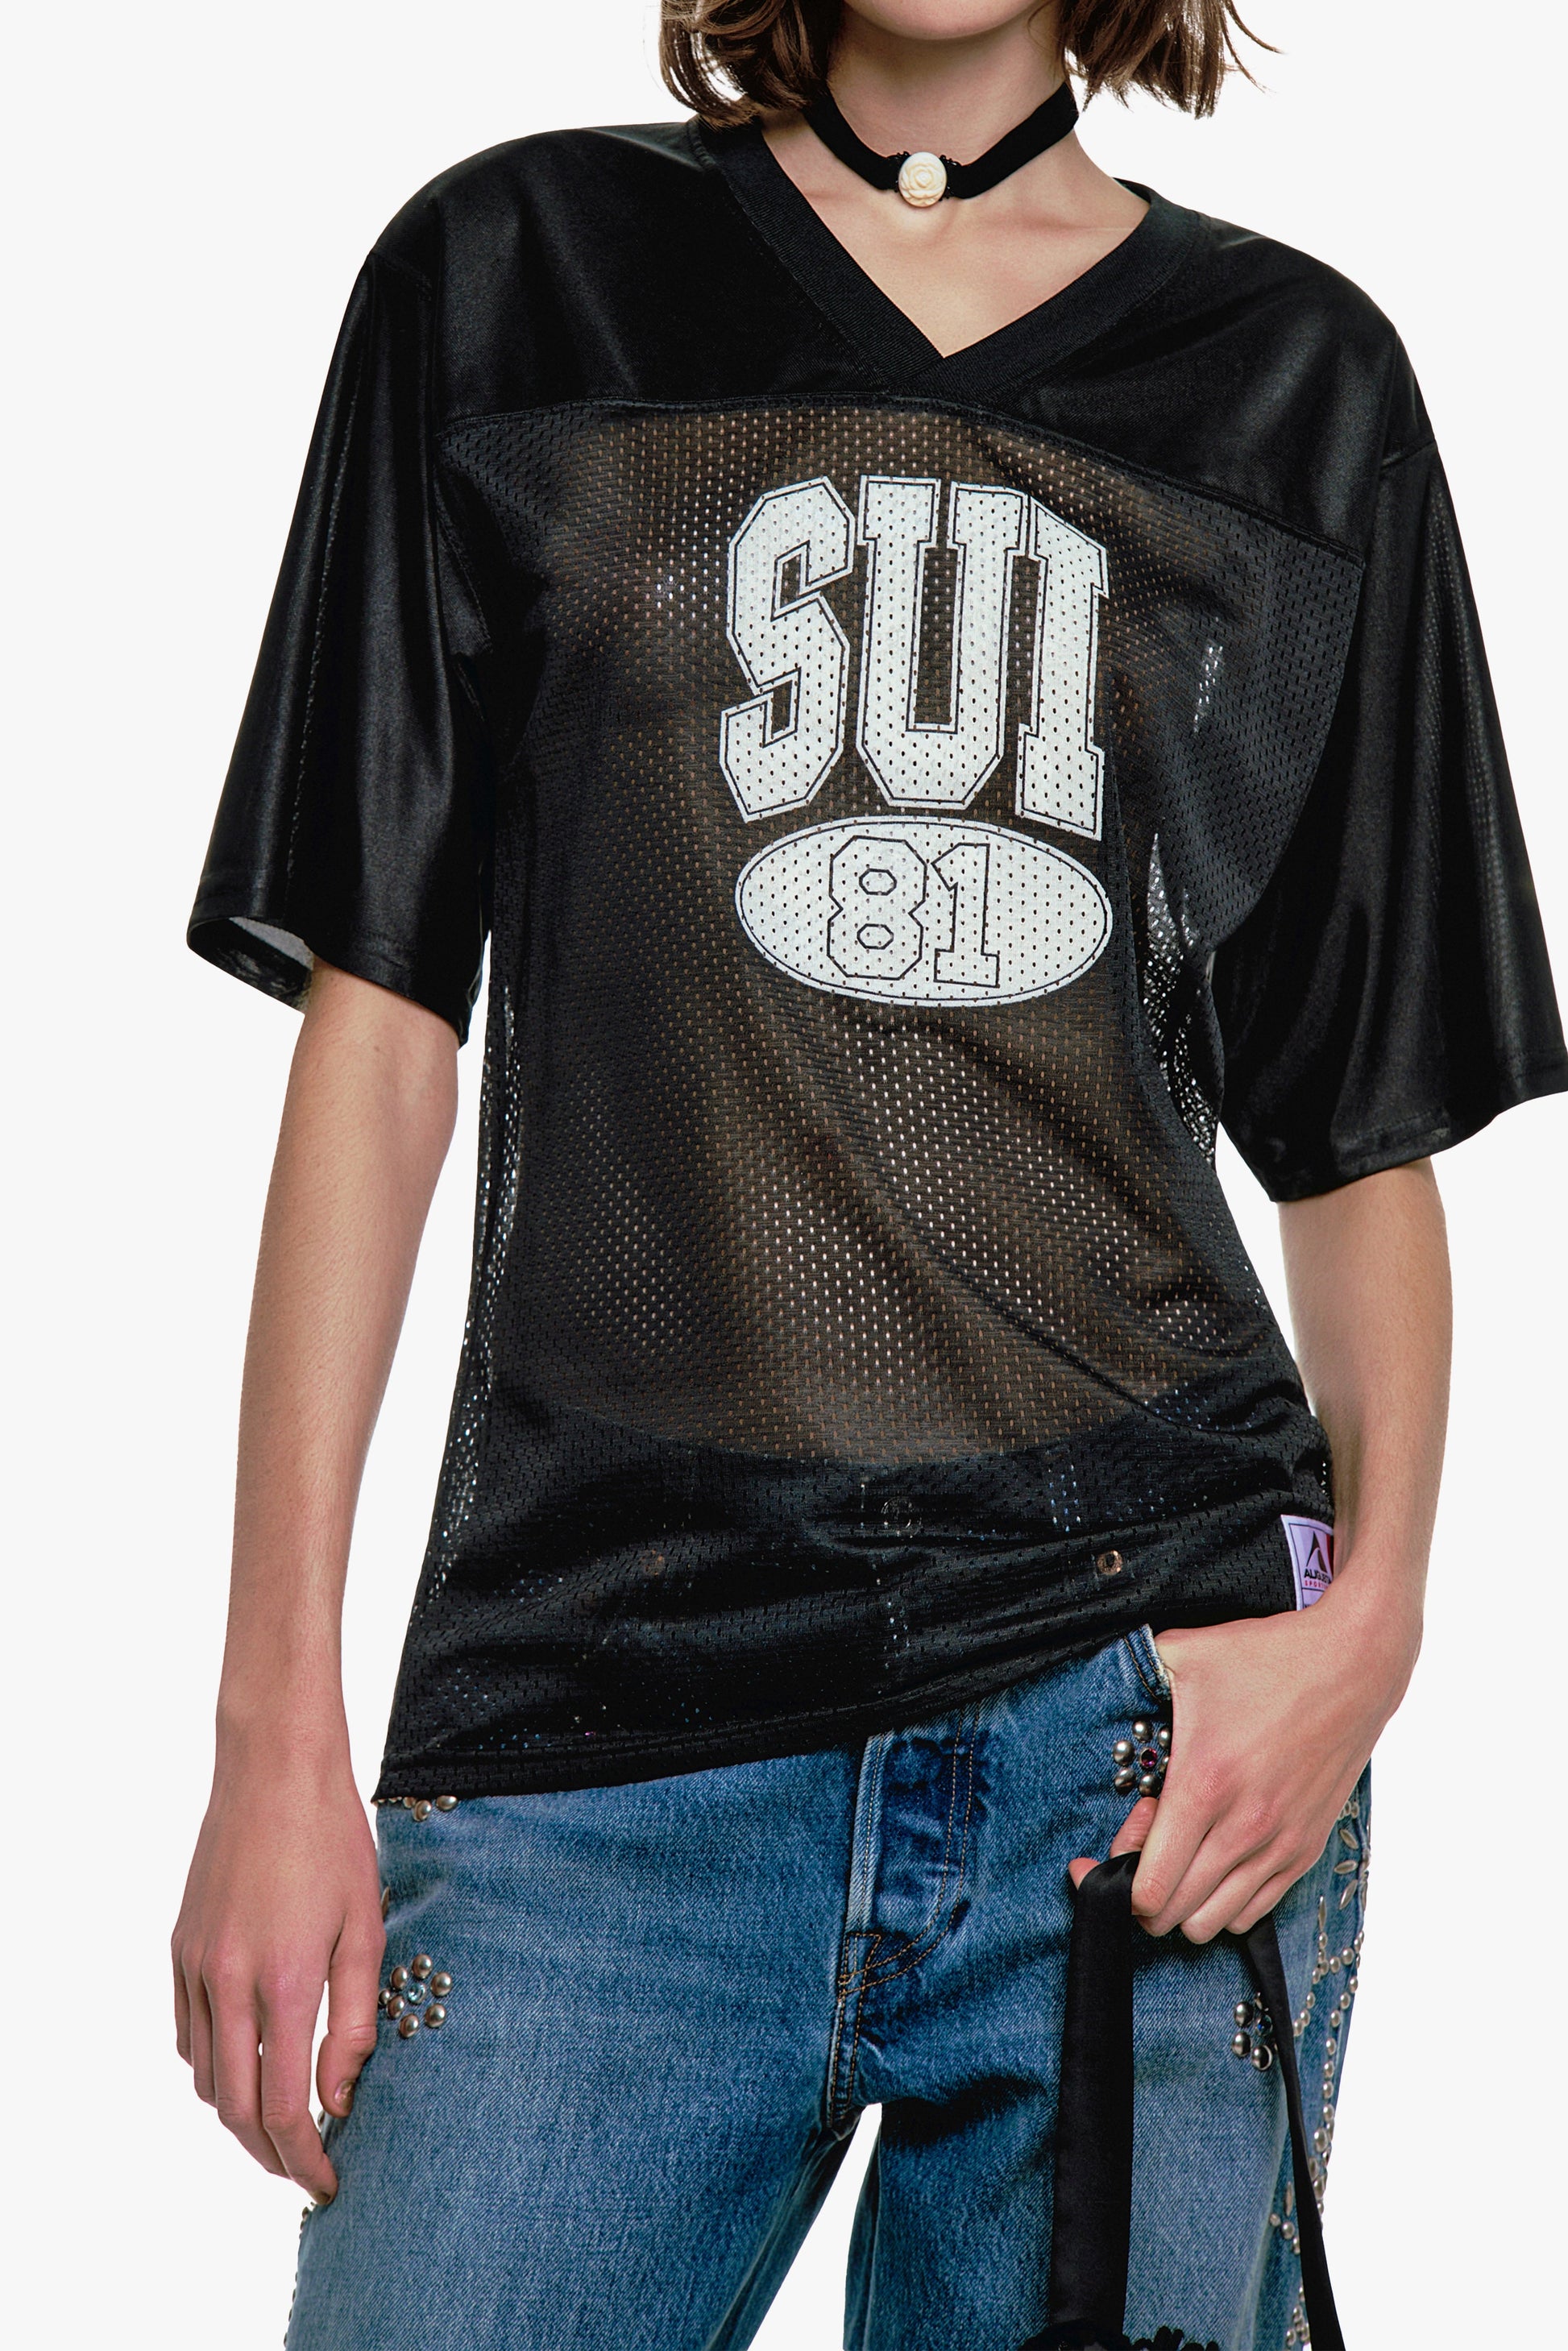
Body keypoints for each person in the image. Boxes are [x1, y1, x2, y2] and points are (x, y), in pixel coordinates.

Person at [171, 3, 1566, 2346]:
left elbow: (1359, 1143)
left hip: (1138, 1748)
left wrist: (1376, 1629)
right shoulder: (519, 278)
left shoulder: (1291, 386)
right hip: (601, 1723)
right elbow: (380, 1035)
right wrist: (269, 1730)